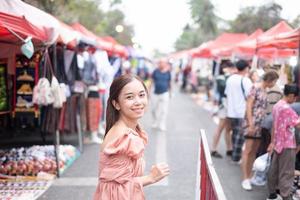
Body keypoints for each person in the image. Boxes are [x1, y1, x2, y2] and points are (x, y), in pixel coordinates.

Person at [93, 74, 170, 200]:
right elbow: (114, 188)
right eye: (130, 97)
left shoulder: (126, 129)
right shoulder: (124, 138)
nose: (138, 102)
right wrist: (151, 178)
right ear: (116, 104)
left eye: (141, 95)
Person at [240, 70, 279, 191]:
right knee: (248, 150)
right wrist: (251, 124)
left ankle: (250, 176)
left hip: (260, 124)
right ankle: (245, 178)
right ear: (270, 80)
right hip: (252, 123)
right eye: (274, 81)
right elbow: (249, 106)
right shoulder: (255, 88)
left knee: (254, 151)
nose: (275, 83)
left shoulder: (264, 90)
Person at [267, 84, 300, 200]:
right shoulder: (287, 108)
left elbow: (274, 126)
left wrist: (272, 142)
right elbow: (298, 124)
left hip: (278, 143)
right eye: (295, 97)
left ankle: (272, 194)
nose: (295, 100)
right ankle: (286, 197)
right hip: (287, 144)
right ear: (291, 95)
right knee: (287, 172)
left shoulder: (277, 105)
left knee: (275, 169)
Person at [225, 59, 253, 163]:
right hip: (242, 112)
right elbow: (250, 96)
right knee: (239, 136)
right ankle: (236, 157)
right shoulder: (246, 80)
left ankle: (234, 154)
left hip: (231, 111)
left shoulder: (230, 79)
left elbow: (227, 94)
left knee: (235, 133)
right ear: (246, 68)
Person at [211, 61, 235, 158]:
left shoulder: (229, 77)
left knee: (228, 129)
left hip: (230, 106)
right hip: (224, 105)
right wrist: (228, 75)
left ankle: (229, 149)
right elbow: (224, 88)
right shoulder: (221, 77)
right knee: (220, 128)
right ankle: (213, 149)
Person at [150, 60, 172, 131]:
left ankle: (162, 124)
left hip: (165, 93)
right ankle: (155, 121)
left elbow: (169, 82)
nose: (161, 64)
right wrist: (148, 91)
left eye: (163, 63)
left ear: (165, 64)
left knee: (164, 110)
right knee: (153, 109)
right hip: (155, 93)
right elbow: (151, 81)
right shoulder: (155, 71)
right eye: (160, 63)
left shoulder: (168, 72)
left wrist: (170, 92)